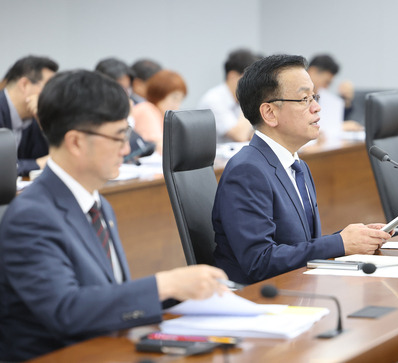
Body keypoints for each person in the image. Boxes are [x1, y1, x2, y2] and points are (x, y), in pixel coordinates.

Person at [0, 70, 228, 361]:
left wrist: (182, 290)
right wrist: (164, 284)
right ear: (76, 142)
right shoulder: (31, 217)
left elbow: (107, 297)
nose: (126, 149)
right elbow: (65, 311)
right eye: (120, 136)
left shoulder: (99, 205)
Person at [212, 54, 391, 284]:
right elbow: (259, 261)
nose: (317, 108)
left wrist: (353, 238)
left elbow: (299, 246)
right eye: (304, 99)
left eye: (314, 96)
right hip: (261, 299)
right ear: (270, 113)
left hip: (298, 287)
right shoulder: (247, 171)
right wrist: (340, 244)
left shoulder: (299, 167)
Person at [0, 55, 58, 176]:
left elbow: (56, 158)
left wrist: (43, 119)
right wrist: (37, 164)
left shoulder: (33, 118)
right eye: (48, 87)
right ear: (24, 84)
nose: (52, 95)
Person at [197, 49, 259, 143]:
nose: (252, 84)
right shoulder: (213, 100)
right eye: (249, 78)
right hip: (215, 157)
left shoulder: (237, 99)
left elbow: (250, 135)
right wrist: (250, 101)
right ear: (232, 76)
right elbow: (240, 135)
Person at [132, 69, 187, 154]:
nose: (177, 105)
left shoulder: (161, 114)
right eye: (174, 98)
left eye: (180, 100)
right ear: (159, 93)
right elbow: (160, 148)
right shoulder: (146, 109)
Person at [307, 54, 363, 133]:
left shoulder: (318, 98)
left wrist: (346, 102)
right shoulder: (296, 97)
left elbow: (330, 119)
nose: (326, 87)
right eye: (326, 82)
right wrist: (340, 127)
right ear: (313, 71)